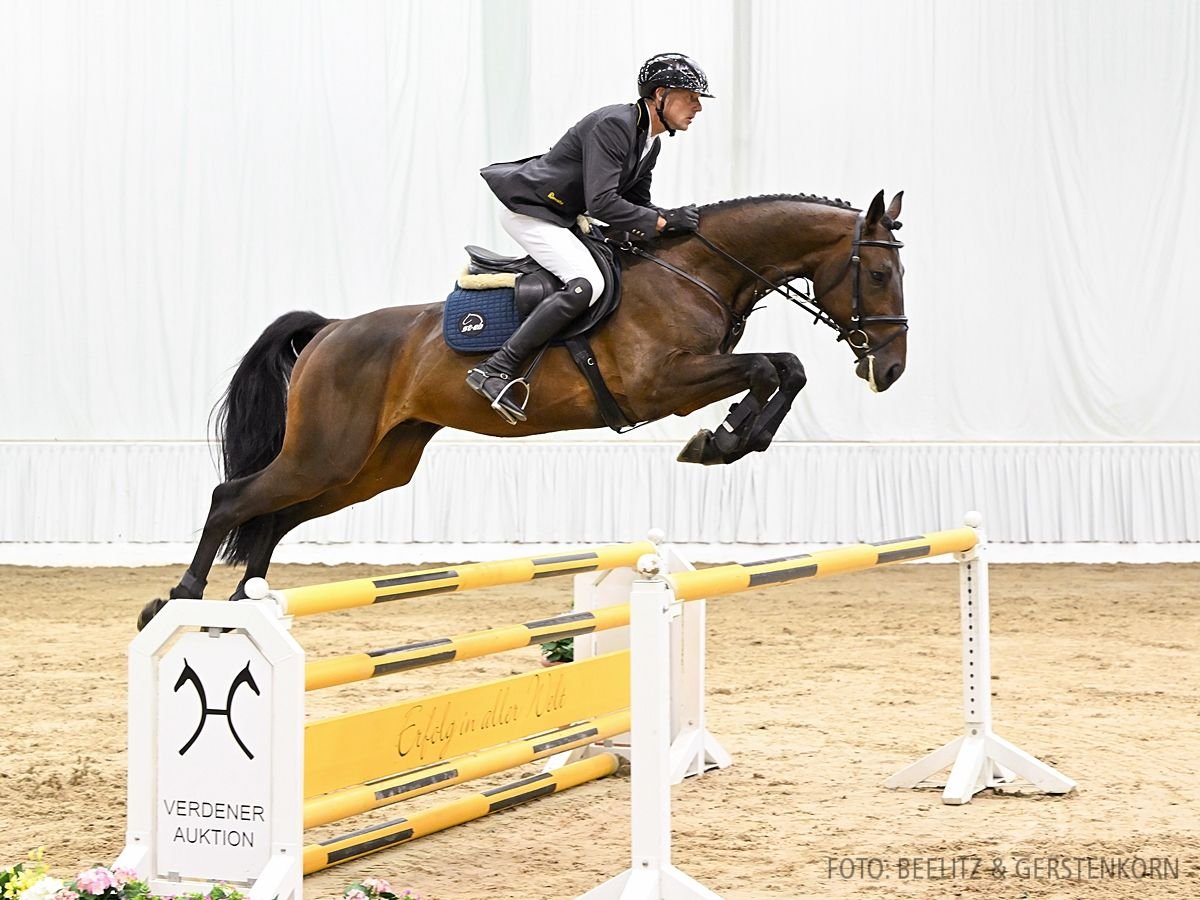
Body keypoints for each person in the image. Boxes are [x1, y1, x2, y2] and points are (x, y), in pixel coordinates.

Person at [466, 52, 713, 423]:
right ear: (661, 94)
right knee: (587, 284)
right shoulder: (615, 124)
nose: (697, 107)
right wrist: (661, 222)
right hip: (532, 212)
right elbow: (603, 202)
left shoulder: (650, 142)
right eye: (691, 96)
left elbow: (637, 204)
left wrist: (668, 225)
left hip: (562, 216)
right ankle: (495, 367)